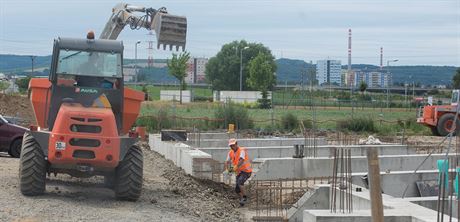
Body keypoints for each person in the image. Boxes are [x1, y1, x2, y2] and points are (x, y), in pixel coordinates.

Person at [224, 138, 252, 206]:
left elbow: (241, 160)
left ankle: (245, 197)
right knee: (237, 190)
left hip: (246, 171)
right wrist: (227, 170)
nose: (232, 147)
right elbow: (227, 161)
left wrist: (235, 167)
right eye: (231, 146)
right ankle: (242, 200)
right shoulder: (230, 152)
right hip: (238, 172)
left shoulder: (242, 150)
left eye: (233, 145)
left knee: (240, 182)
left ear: (236, 144)